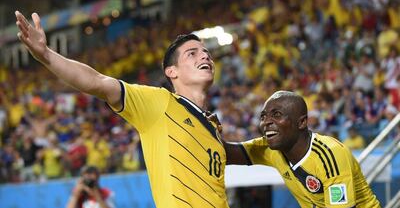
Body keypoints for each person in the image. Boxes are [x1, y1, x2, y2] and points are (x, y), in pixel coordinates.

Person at [15, 11, 228, 208]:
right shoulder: (159, 103)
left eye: (206, 52)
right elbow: (97, 82)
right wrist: (47, 55)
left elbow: (239, 153)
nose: (205, 56)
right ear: (171, 72)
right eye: (192, 53)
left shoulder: (211, 125)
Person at [223, 91, 381, 208]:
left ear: (302, 122)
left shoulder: (330, 154)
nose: (266, 123)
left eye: (276, 115)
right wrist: (206, 129)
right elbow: (226, 153)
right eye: (263, 116)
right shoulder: (271, 149)